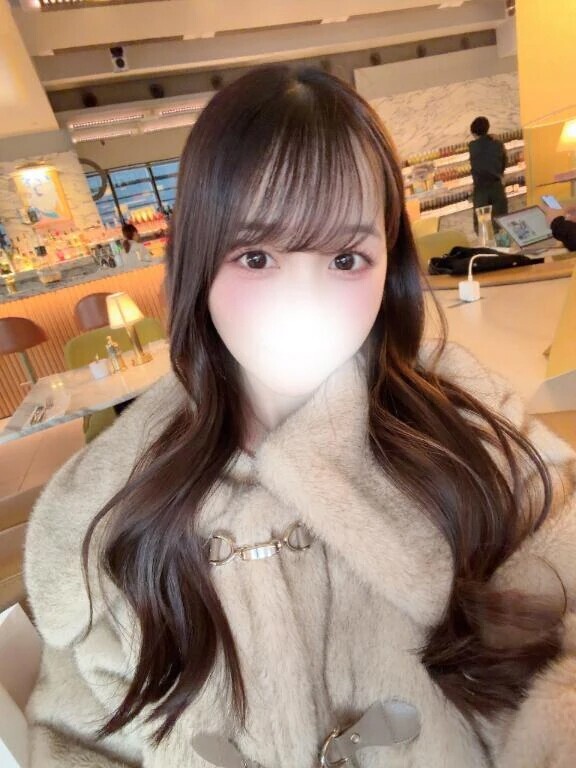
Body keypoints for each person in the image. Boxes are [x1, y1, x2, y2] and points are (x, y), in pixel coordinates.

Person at [25, 66, 576, 768]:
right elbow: (72, 740)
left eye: (346, 258)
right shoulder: (112, 513)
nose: (304, 301)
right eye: (257, 256)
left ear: (388, 265)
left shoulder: (475, 436)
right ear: (197, 265)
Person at [469, 116, 508, 234]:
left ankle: (486, 243)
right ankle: (502, 243)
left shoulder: (472, 146)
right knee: (500, 222)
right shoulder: (498, 144)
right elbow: (504, 162)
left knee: (483, 225)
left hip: (481, 190)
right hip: (497, 187)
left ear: (473, 132)